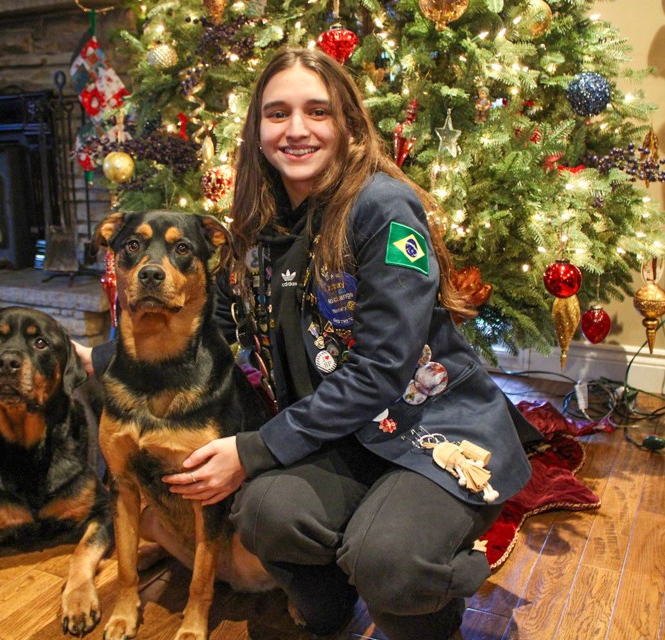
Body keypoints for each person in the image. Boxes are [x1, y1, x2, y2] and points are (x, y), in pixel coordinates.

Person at [78, 46, 540, 640]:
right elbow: (208, 332)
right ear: (257, 130)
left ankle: (433, 600)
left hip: (432, 434)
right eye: (277, 114)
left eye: (316, 111)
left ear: (347, 124)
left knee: (388, 559)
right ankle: (331, 601)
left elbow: (381, 370)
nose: (296, 129)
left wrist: (253, 449)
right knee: (262, 512)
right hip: (341, 438)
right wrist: (112, 359)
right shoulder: (257, 230)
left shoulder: (381, 208)